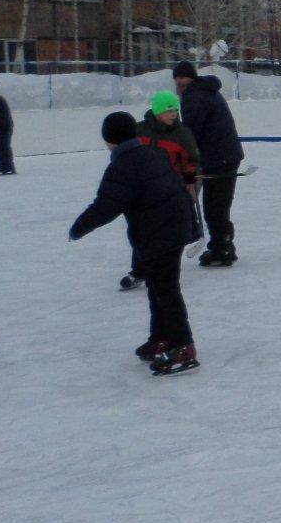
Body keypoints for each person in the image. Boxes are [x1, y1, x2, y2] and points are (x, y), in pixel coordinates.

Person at [69, 111, 202, 375]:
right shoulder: (153, 153)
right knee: (158, 286)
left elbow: (106, 205)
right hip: (172, 227)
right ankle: (161, 338)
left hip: (160, 232)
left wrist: (79, 228)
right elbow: (179, 189)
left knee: (165, 289)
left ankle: (183, 345)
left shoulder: (122, 165)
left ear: (109, 139)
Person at [123, 90, 203, 291]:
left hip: (170, 190)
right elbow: (127, 151)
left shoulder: (182, 134)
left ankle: (164, 272)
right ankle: (138, 271)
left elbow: (192, 161)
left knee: (166, 233)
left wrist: (189, 178)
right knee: (141, 231)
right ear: (157, 111)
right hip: (143, 189)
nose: (173, 114)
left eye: (175, 110)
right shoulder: (139, 131)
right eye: (169, 110)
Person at [173, 60, 244, 266]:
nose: (179, 81)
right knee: (218, 204)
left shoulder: (194, 97)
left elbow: (191, 135)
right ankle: (224, 244)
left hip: (219, 158)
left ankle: (221, 248)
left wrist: (184, 161)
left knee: (214, 206)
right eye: (176, 78)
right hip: (224, 156)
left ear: (192, 77)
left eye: (183, 77)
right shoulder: (204, 90)